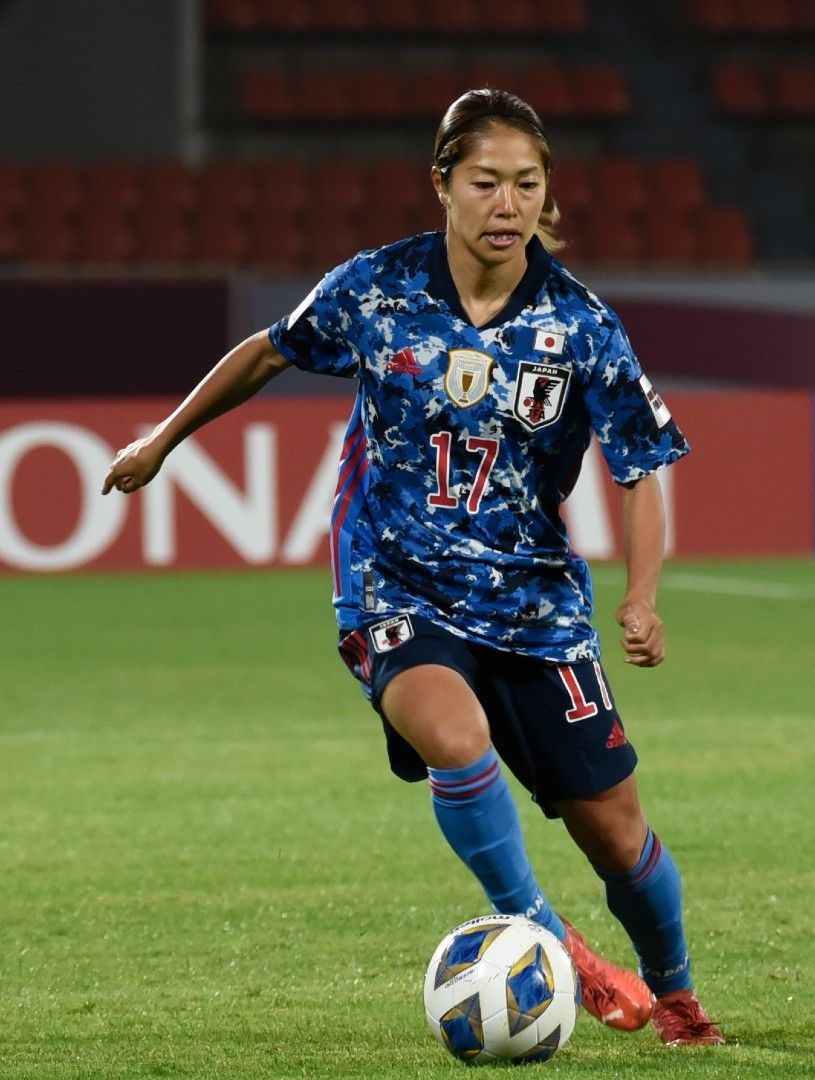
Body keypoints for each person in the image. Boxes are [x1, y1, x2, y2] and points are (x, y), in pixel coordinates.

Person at [102, 89, 725, 1047]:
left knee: (616, 832)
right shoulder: (376, 289)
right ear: (442, 183)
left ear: (547, 191)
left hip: (533, 605)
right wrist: (164, 438)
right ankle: (544, 936)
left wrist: (642, 599)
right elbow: (268, 353)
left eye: (527, 184)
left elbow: (641, 471)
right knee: (454, 735)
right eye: (486, 182)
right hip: (394, 584)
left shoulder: (581, 326)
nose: (507, 204)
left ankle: (676, 994)